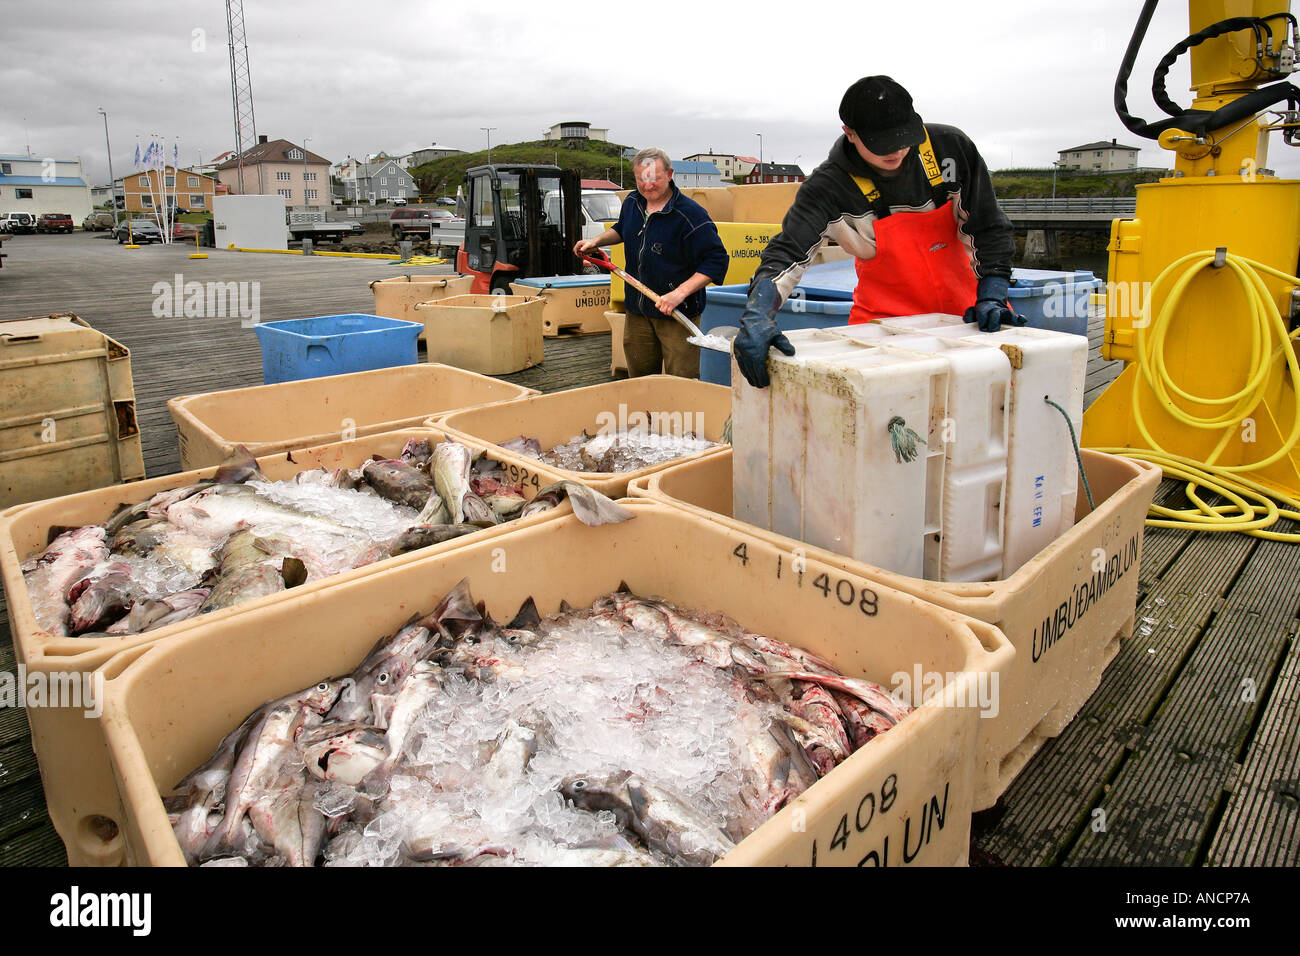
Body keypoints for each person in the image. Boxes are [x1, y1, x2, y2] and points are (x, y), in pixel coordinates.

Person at [734, 76, 1021, 388]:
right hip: (884, 325)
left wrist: (993, 291)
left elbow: (988, 226)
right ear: (851, 134)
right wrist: (759, 314)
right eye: (883, 143)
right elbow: (787, 254)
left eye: (903, 138)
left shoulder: (951, 149)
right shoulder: (827, 188)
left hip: (967, 316)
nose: (896, 150)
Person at [575, 148, 728, 378]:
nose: (647, 186)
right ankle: (646, 415)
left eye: (655, 178)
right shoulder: (633, 202)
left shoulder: (691, 215)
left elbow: (716, 261)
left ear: (669, 174)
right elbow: (621, 229)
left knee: (682, 382)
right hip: (637, 311)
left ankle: (679, 415)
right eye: (641, 179)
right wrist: (596, 241)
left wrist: (679, 293)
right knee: (640, 380)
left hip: (678, 314)